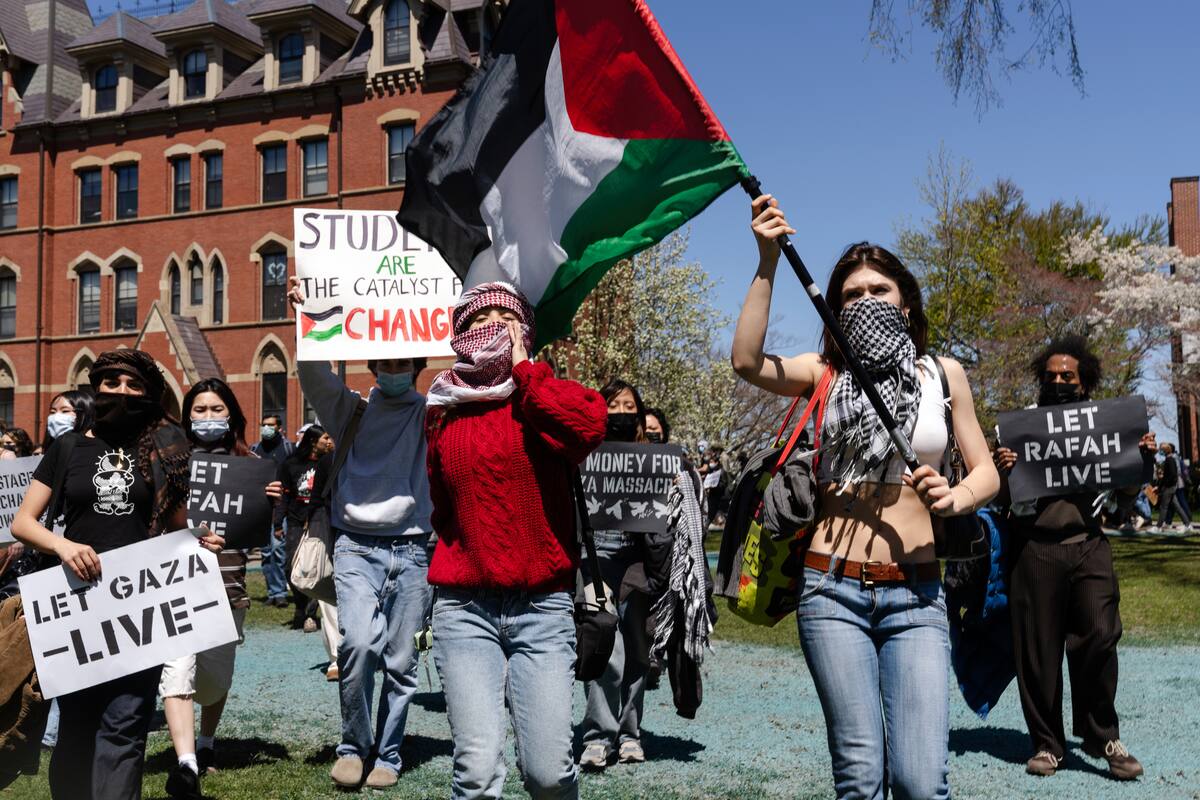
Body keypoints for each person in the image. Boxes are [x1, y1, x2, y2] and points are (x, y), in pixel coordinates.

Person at [731, 197, 999, 800]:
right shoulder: (824, 374)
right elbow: (746, 361)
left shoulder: (943, 374)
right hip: (831, 591)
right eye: (851, 294)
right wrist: (767, 261)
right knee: (860, 779)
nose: (866, 300)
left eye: (880, 289)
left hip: (918, 592)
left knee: (921, 781)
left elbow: (986, 473)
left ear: (906, 300)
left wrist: (956, 497)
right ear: (834, 307)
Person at [10, 349, 223, 800]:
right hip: (76, 607)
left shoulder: (164, 448)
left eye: (134, 386)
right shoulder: (67, 447)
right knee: (76, 727)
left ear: (148, 393)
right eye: (113, 383)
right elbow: (23, 522)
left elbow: (177, 522)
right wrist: (63, 546)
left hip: (139, 605)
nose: (122, 392)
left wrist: (200, 539)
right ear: (97, 386)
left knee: (125, 725)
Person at [425, 282, 606, 799]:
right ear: (462, 333)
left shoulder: (543, 394)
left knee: (548, 773)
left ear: (526, 329)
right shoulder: (443, 409)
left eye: (510, 315)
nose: (498, 324)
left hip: (542, 609)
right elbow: (443, 507)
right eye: (484, 317)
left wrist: (525, 371)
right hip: (463, 610)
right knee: (477, 772)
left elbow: (588, 426)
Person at [287, 276, 435, 791]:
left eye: (403, 363)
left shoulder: (435, 413)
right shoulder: (351, 409)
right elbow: (311, 372)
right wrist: (306, 319)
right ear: (372, 365)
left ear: (417, 367)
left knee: (402, 659)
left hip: (415, 550)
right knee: (358, 646)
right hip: (355, 548)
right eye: (385, 362)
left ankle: (388, 753)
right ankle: (353, 745)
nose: (394, 371)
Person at [994, 337, 1148, 780]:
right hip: (1034, 549)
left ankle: (1103, 736)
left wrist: (1138, 461)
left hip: (1089, 546)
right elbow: (1001, 497)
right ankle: (1047, 743)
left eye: (1068, 376)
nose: (1058, 381)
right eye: (1051, 376)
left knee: (1101, 634)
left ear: (1085, 384)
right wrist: (1003, 471)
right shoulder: (1019, 430)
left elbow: (1126, 494)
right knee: (1038, 653)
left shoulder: (1107, 428)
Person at [160, 378, 283, 799]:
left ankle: (207, 740)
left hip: (227, 584)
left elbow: (259, 528)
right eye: (199, 410)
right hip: (175, 584)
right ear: (186, 415)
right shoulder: (170, 465)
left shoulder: (249, 463)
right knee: (177, 668)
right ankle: (186, 762)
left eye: (216, 409)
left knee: (215, 680)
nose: (208, 417)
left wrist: (269, 501)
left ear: (230, 414)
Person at [579, 379, 663, 770]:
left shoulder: (652, 461)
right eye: (614, 405)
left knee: (636, 654)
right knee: (603, 651)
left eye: (630, 406)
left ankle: (630, 734)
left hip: (637, 565)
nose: (622, 413)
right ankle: (598, 736)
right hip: (595, 561)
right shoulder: (584, 454)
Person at [273, 425, 334, 631]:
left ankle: (309, 613)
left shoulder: (330, 463)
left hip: (321, 521)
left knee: (317, 565)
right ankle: (300, 605)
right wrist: (277, 522)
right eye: (325, 438)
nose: (328, 441)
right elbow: (283, 496)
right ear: (312, 441)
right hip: (295, 521)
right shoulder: (291, 464)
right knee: (293, 565)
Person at [252, 413, 295, 607]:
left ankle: (280, 592)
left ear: (279, 428)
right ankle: (272, 592)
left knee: (279, 550)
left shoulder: (288, 449)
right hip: (261, 508)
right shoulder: (254, 449)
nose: (266, 428)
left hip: (281, 508)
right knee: (266, 552)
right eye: (264, 425)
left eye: (270, 425)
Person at [40, 390, 96, 454]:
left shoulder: (94, 450)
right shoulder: (45, 452)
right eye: (52, 412)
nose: (56, 416)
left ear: (84, 414)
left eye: (65, 411)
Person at [1157, 442, 1192, 530]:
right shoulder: (1170, 459)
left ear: (1165, 450)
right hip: (1172, 486)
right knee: (1177, 506)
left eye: (1161, 449)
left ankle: (1158, 527)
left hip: (1170, 487)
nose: (1159, 451)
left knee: (1164, 507)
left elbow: (1172, 474)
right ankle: (1187, 524)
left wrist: (1165, 485)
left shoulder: (1170, 460)